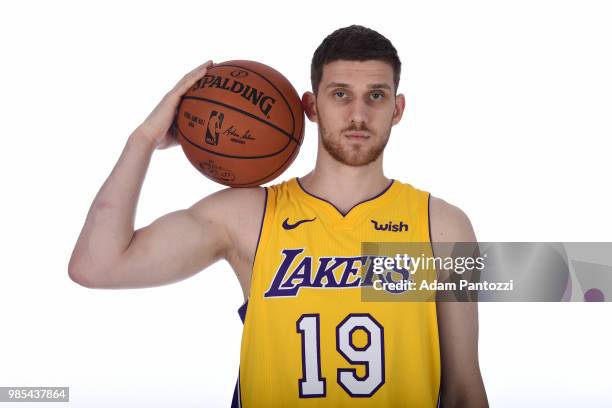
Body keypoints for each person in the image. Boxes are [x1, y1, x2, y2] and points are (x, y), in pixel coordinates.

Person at [69, 25, 488, 407]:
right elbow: (97, 266)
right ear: (312, 105)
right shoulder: (248, 215)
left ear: (397, 109)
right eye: (340, 94)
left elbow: (464, 388)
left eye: (375, 96)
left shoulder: (441, 226)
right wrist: (143, 138)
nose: (358, 115)